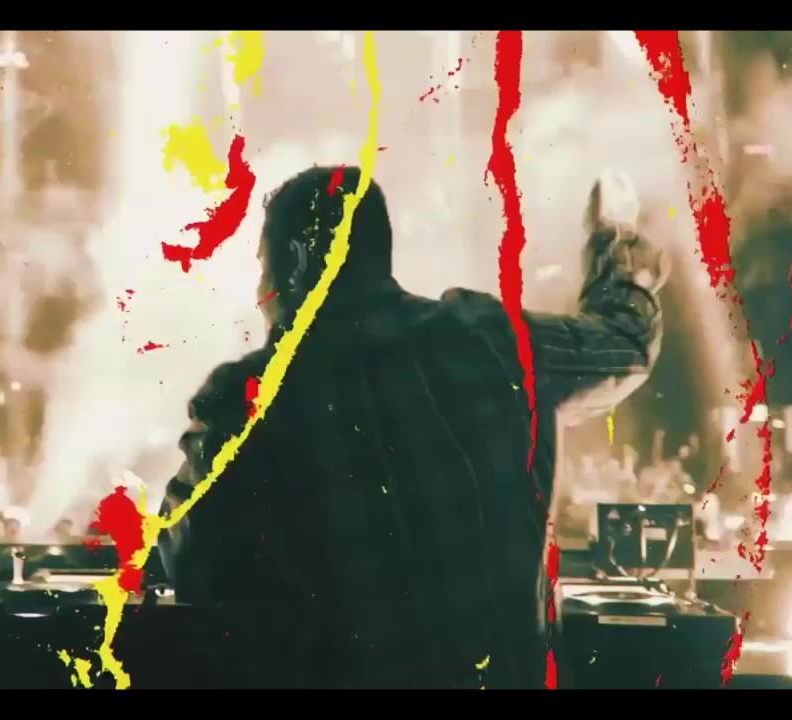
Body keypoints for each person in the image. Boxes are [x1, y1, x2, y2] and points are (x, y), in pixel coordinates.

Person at [156, 166, 666, 688]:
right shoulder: (492, 343)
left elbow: (193, 561)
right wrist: (616, 239)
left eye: (264, 267)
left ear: (296, 262)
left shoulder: (246, 403)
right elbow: (626, 340)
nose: (259, 291)